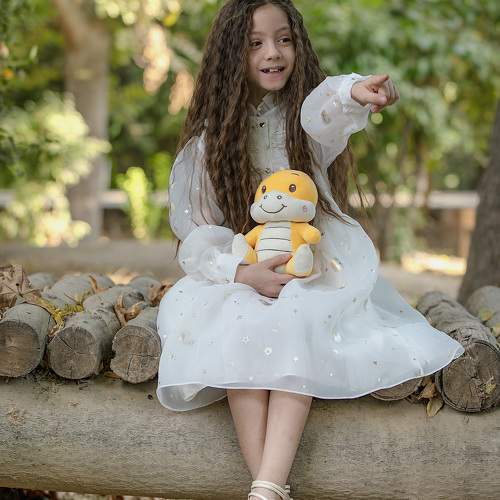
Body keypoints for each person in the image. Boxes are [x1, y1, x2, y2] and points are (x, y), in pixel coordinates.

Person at [156, 1, 465, 499]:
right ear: (230, 55)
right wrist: (243, 273)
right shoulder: (209, 145)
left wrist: (354, 92)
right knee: (238, 326)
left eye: (284, 39)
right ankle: (269, 489)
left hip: (313, 271)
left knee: (296, 320)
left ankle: (265, 489)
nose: (273, 53)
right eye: (255, 43)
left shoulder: (303, 124)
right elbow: (196, 233)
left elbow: (328, 109)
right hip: (242, 274)